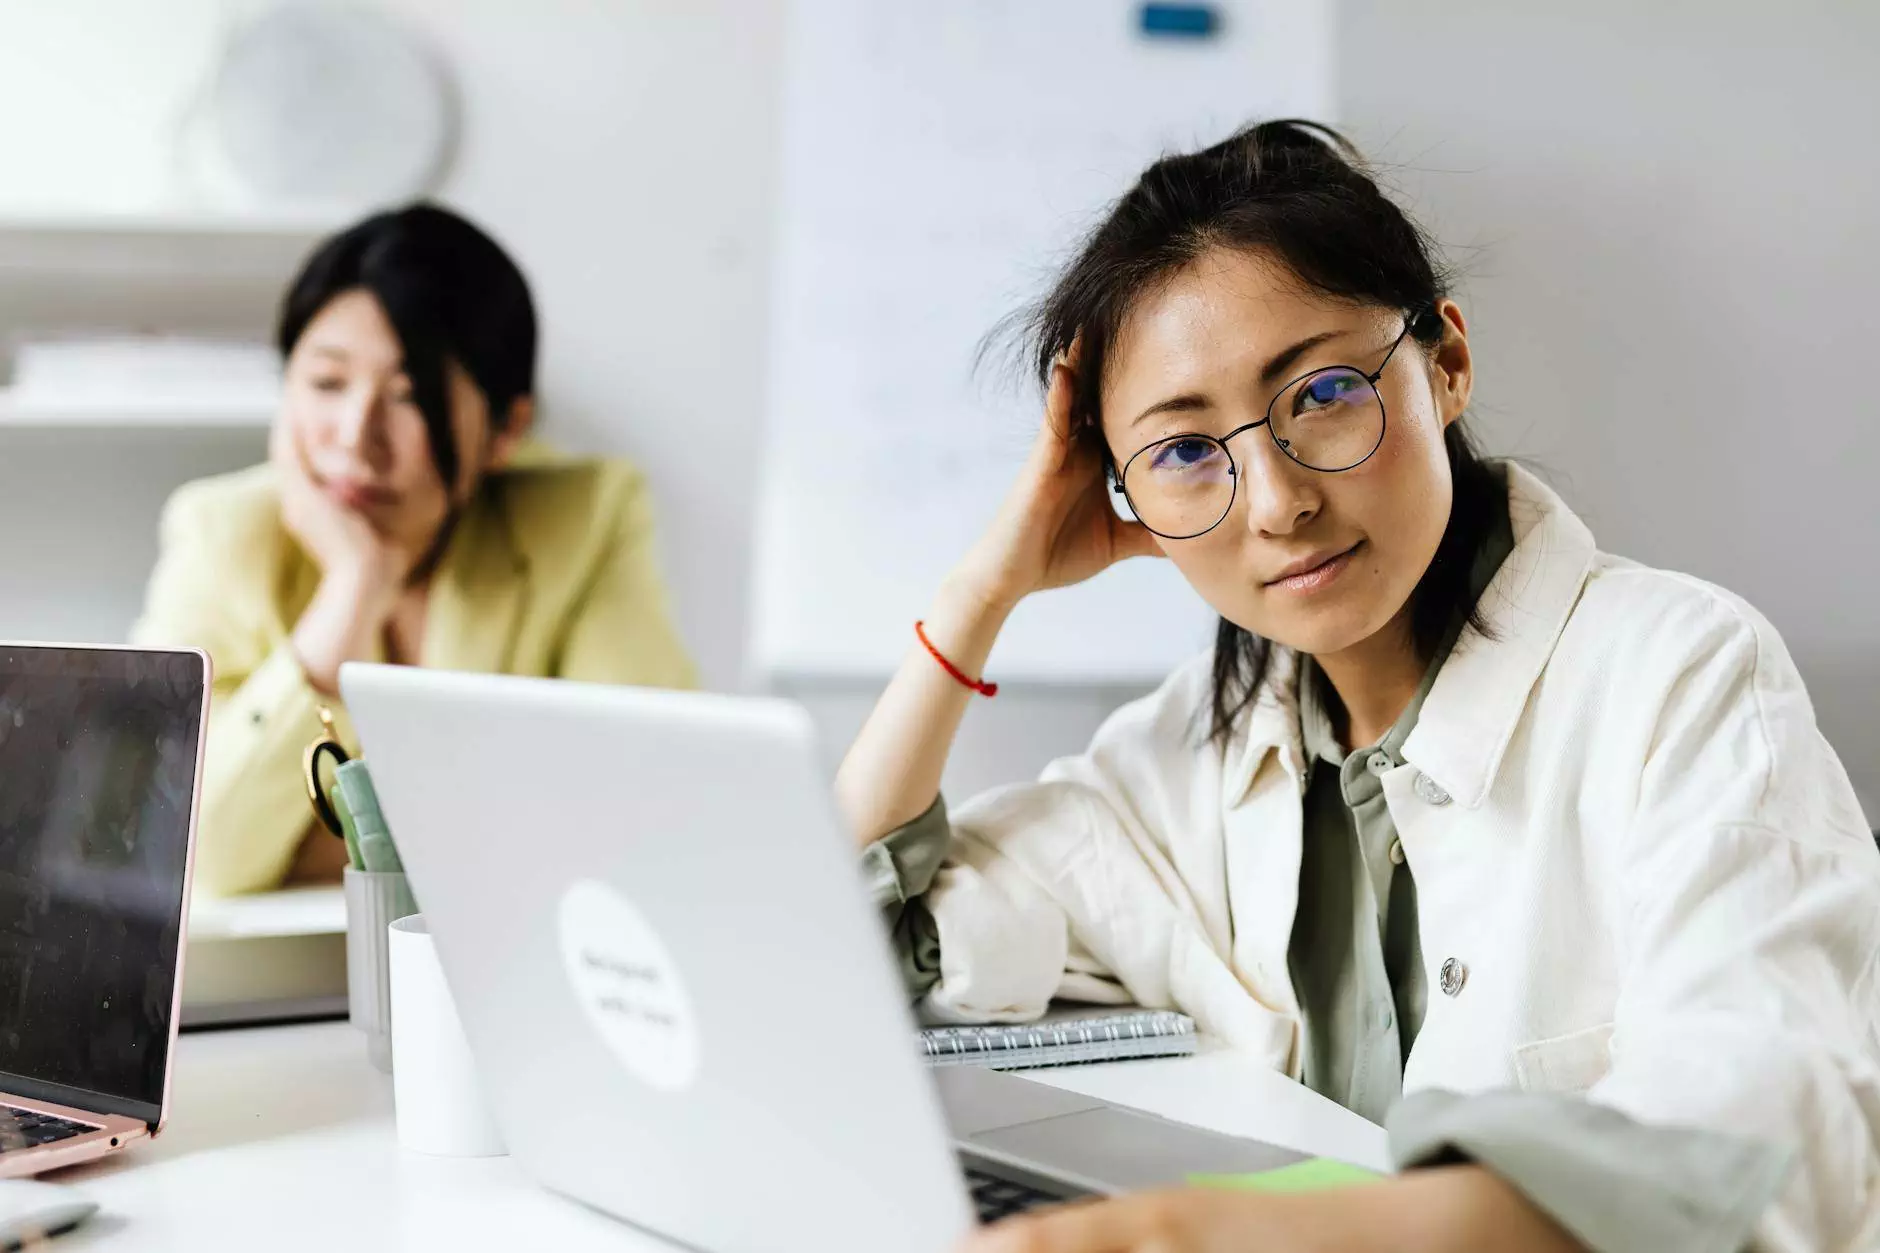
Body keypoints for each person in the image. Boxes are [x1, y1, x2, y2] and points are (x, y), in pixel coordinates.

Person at [837, 122, 1880, 1252]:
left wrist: (1230, 1235)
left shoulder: (1679, 675)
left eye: (1322, 391)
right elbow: (858, 939)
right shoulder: (1193, 747)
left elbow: (1768, 1119)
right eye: (1184, 453)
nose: (1277, 501)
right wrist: (979, 593)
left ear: (1445, 363)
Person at [134, 204, 695, 897]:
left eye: (411, 397)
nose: (356, 435)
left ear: (505, 429)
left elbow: (647, 802)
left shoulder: (583, 517)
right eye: (327, 383)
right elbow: (188, 850)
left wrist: (308, 841)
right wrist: (353, 587)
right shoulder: (222, 531)